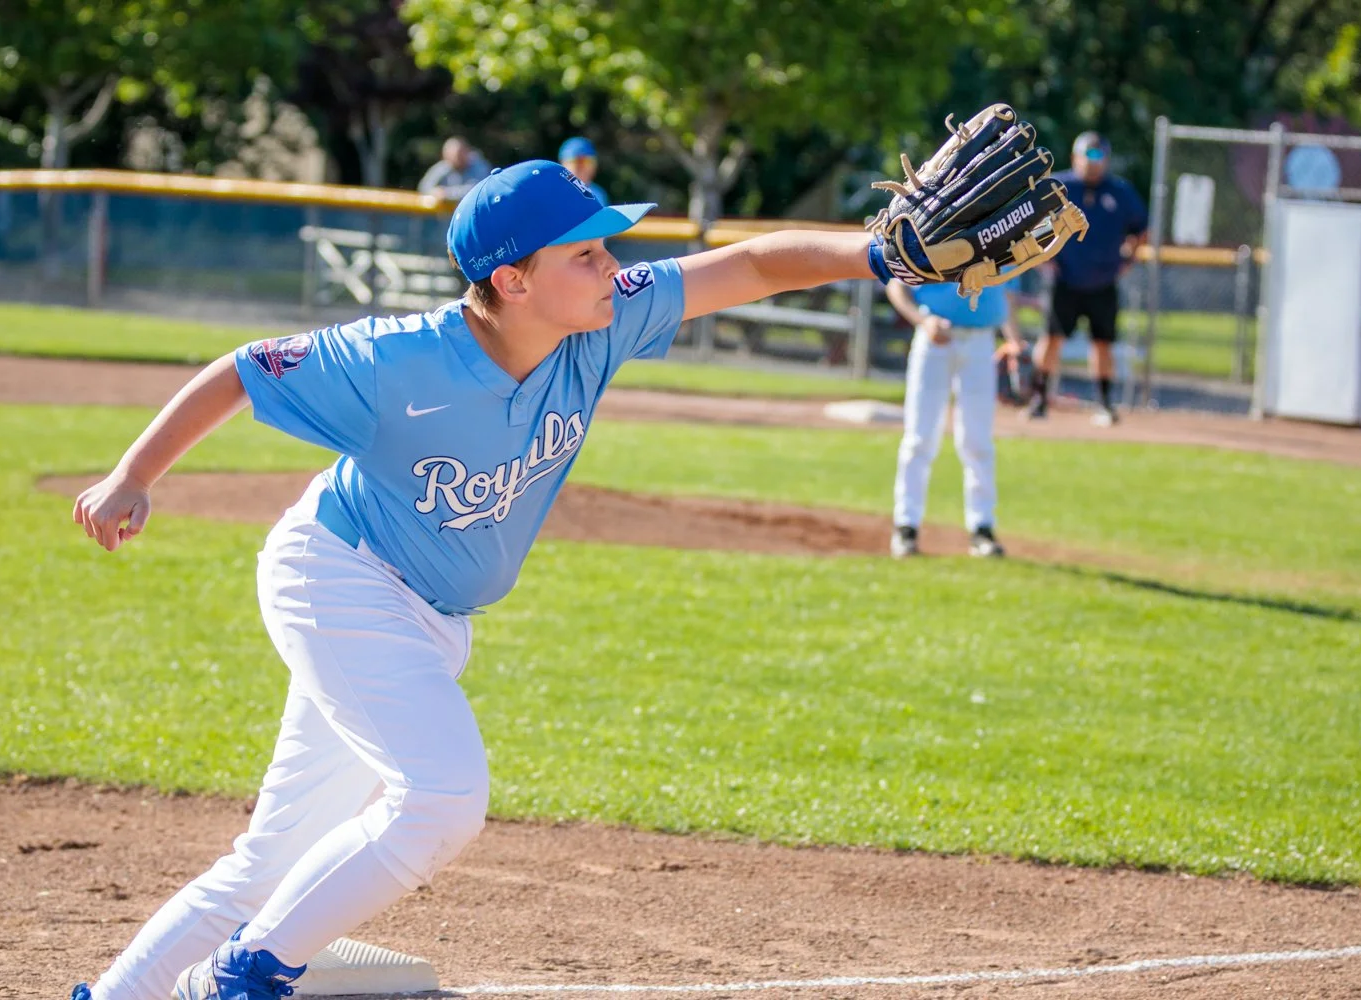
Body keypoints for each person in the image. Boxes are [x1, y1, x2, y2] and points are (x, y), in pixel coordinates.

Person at [67, 159, 921, 1000]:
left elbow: (753, 266)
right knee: (442, 797)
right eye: (585, 254)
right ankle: (246, 976)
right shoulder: (398, 359)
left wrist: (877, 254)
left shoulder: (603, 322)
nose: (613, 268)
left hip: (428, 616)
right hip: (338, 578)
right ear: (513, 281)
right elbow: (245, 369)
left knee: (274, 862)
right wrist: (132, 475)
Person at [884, 277, 1023, 559]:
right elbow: (895, 284)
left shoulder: (1000, 246)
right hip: (934, 338)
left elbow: (1006, 294)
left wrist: (1015, 342)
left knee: (978, 441)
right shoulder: (933, 244)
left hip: (982, 341)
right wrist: (922, 320)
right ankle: (906, 526)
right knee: (919, 437)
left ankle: (982, 527)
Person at [1024, 131, 1148, 426]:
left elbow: (1141, 229)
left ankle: (1104, 403)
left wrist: (1128, 260)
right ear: (1074, 157)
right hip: (1064, 280)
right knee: (1051, 338)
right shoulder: (1059, 187)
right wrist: (1043, 257)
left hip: (1103, 282)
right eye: (1088, 155)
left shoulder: (1120, 192)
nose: (1093, 162)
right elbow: (1031, 223)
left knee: (1102, 343)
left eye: (1099, 155)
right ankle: (1039, 399)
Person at [416, 136, 492, 202]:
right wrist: (434, 192)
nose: (455, 159)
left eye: (459, 155)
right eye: (451, 156)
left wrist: (446, 194)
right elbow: (423, 187)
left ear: (467, 152)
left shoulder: (479, 166)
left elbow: (476, 191)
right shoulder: (444, 166)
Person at [557, 136, 609, 206]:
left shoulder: (598, 194)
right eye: (575, 162)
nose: (582, 168)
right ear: (562, 164)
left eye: (588, 161)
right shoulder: (553, 192)